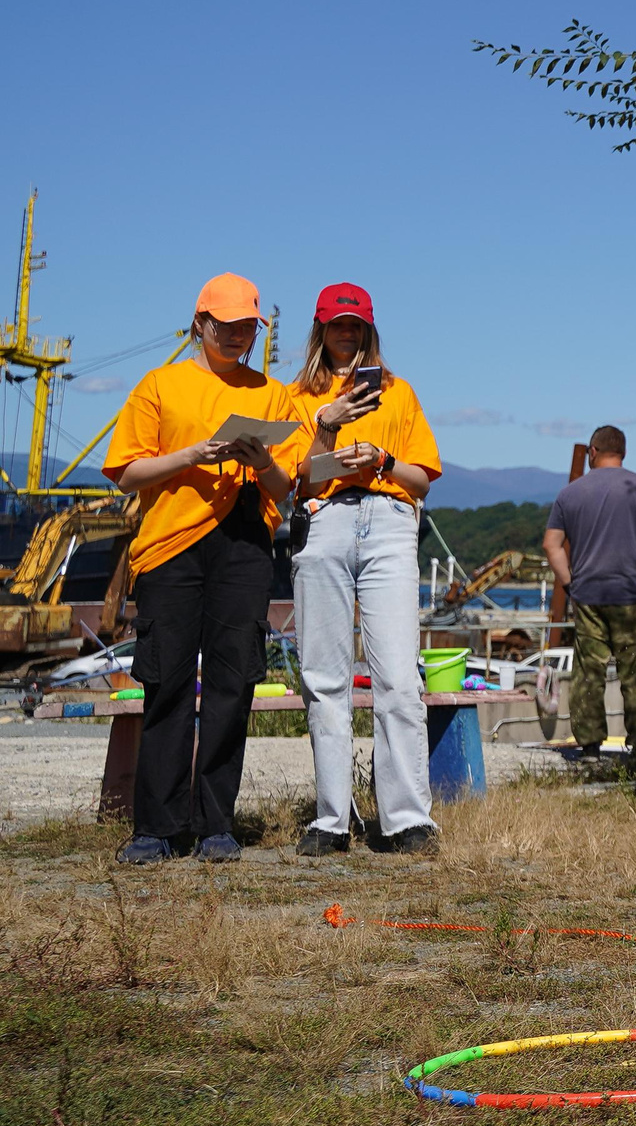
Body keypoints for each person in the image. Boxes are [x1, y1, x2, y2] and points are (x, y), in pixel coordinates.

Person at [102, 275, 305, 865]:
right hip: (170, 543)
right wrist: (190, 456)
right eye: (229, 324)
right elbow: (126, 471)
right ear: (200, 324)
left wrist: (262, 459)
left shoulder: (271, 395)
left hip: (243, 539)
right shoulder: (160, 385)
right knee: (165, 681)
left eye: (249, 326)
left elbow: (285, 487)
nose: (241, 335)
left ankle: (217, 822)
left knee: (232, 680)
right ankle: (156, 827)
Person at [287, 282, 443, 856]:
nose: (346, 334)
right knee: (324, 676)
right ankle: (332, 819)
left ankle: (405, 818)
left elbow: (422, 479)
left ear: (369, 329)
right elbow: (292, 481)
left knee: (399, 677)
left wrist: (382, 459)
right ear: (320, 331)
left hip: (389, 518)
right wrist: (326, 425)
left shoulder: (398, 394)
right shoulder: (297, 397)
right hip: (323, 516)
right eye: (336, 325)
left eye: (355, 325)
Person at [541, 426, 636, 757]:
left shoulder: (570, 493)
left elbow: (551, 544)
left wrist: (569, 583)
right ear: (623, 452)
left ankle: (590, 745)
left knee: (589, 671)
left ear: (593, 452)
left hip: (588, 593)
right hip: (632, 592)